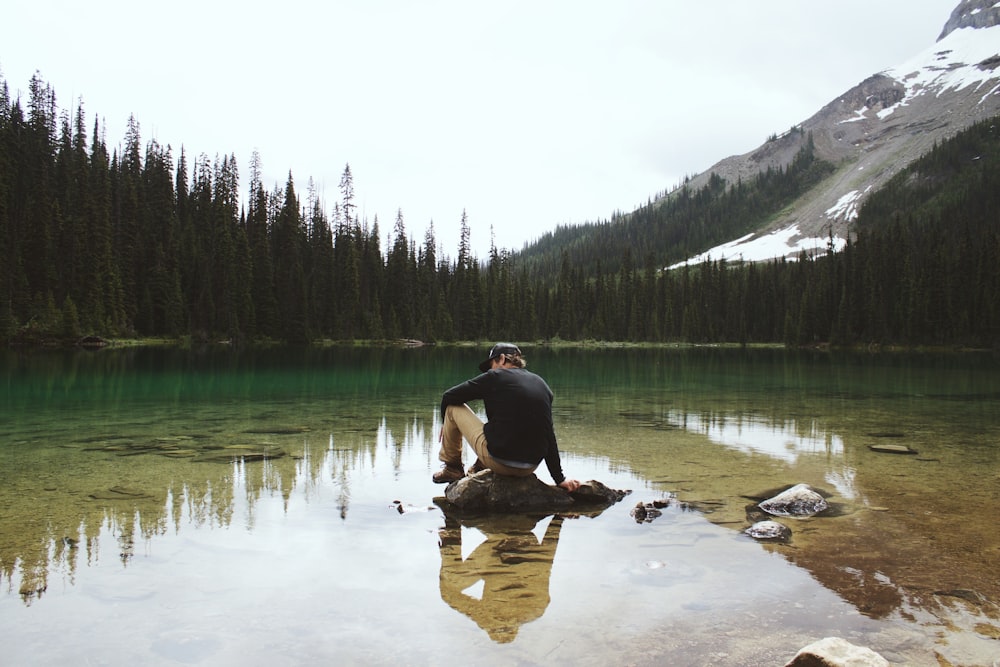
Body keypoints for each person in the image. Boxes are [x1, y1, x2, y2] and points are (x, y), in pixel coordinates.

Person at [434, 342, 581, 492]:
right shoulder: (542, 384)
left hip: (500, 463)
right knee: (507, 422)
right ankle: (479, 467)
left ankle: (453, 468)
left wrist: (444, 424)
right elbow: (548, 435)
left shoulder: (495, 377)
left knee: (453, 408)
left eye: (491, 364)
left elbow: (449, 396)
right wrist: (559, 478)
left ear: (502, 359)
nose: (490, 370)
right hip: (530, 467)